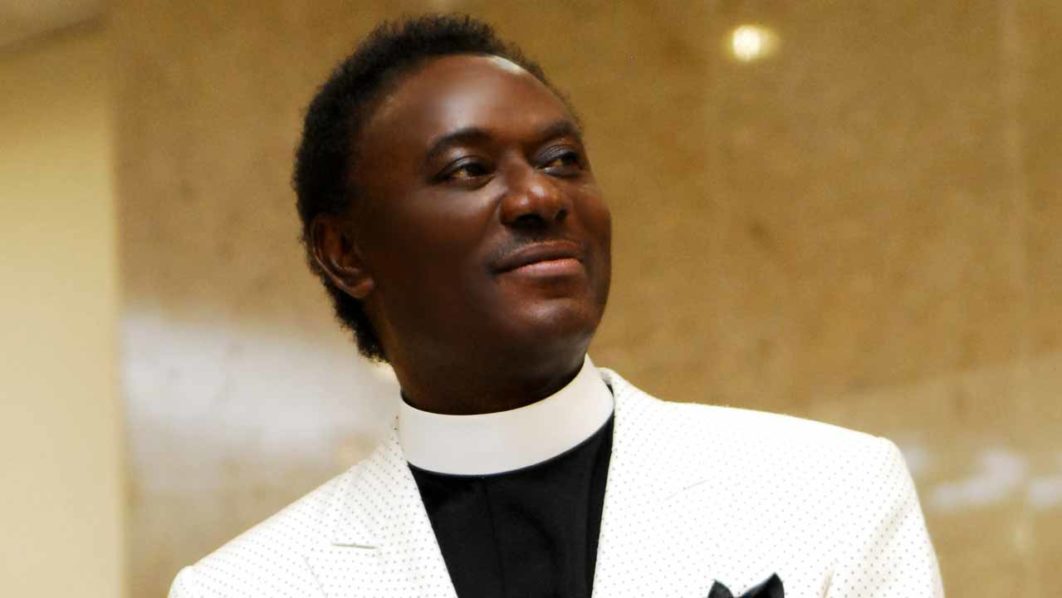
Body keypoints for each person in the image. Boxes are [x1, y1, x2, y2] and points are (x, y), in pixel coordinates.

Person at [169, 14, 943, 598]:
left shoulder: (828, 488)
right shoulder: (246, 586)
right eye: (469, 169)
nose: (540, 195)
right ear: (346, 252)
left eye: (562, 159)